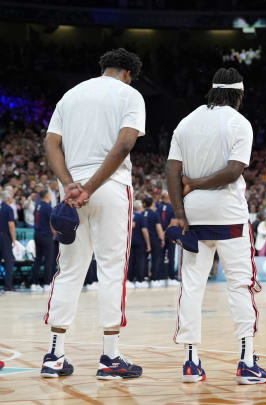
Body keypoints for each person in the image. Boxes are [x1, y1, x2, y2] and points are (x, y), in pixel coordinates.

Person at [42, 48, 145, 379]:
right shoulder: (129, 94)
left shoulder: (70, 95)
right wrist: (92, 186)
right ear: (128, 73)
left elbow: (51, 144)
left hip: (70, 191)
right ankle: (110, 358)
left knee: (69, 270)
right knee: (112, 268)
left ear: (104, 67)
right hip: (110, 187)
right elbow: (125, 144)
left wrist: (71, 184)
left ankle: (55, 355)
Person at [167, 67, 266, 384]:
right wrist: (199, 183)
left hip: (193, 214)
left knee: (191, 286)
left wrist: (179, 213)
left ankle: (190, 361)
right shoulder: (239, 123)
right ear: (238, 94)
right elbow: (233, 171)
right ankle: (246, 361)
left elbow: (172, 171)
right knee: (240, 286)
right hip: (228, 213)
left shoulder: (186, 122)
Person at [30, 190, 55, 292]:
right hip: (46, 236)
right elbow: (51, 222)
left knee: (38, 260)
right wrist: (54, 233)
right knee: (49, 260)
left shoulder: (38, 206)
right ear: (47, 196)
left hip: (37, 235)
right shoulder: (48, 207)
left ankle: (34, 284)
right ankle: (47, 284)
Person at [143, 197, 166, 287]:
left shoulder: (142, 213)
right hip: (154, 240)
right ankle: (154, 278)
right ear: (152, 204)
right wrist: (162, 239)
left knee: (143, 259)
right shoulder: (155, 214)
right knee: (156, 259)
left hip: (144, 240)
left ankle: (144, 277)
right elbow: (159, 228)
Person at [129, 200, 150, 288]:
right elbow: (144, 230)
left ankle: (129, 279)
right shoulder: (141, 216)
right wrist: (148, 244)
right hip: (139, 241)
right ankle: (139, 280)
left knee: (130, 261)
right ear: (140, 207)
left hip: (130, 241)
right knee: (140, 261)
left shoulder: (130, 216)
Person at [158, 192, 178, 283]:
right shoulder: (173, 207)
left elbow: (157, 223)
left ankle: (161, 276)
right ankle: (171, 277)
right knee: (171, 256)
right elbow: (173, 223)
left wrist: (161, 233)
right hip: (170, 236)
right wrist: (165, 232)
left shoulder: (158, 208)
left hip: (160, 235)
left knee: (160, 256)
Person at [0, 190, 16, 293]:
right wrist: (14, 239)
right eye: (12, 197)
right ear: (8, 198)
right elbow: (11, 225)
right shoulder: (9, 209)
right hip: (4, 236)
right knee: (9, 261)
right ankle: (8, 286)